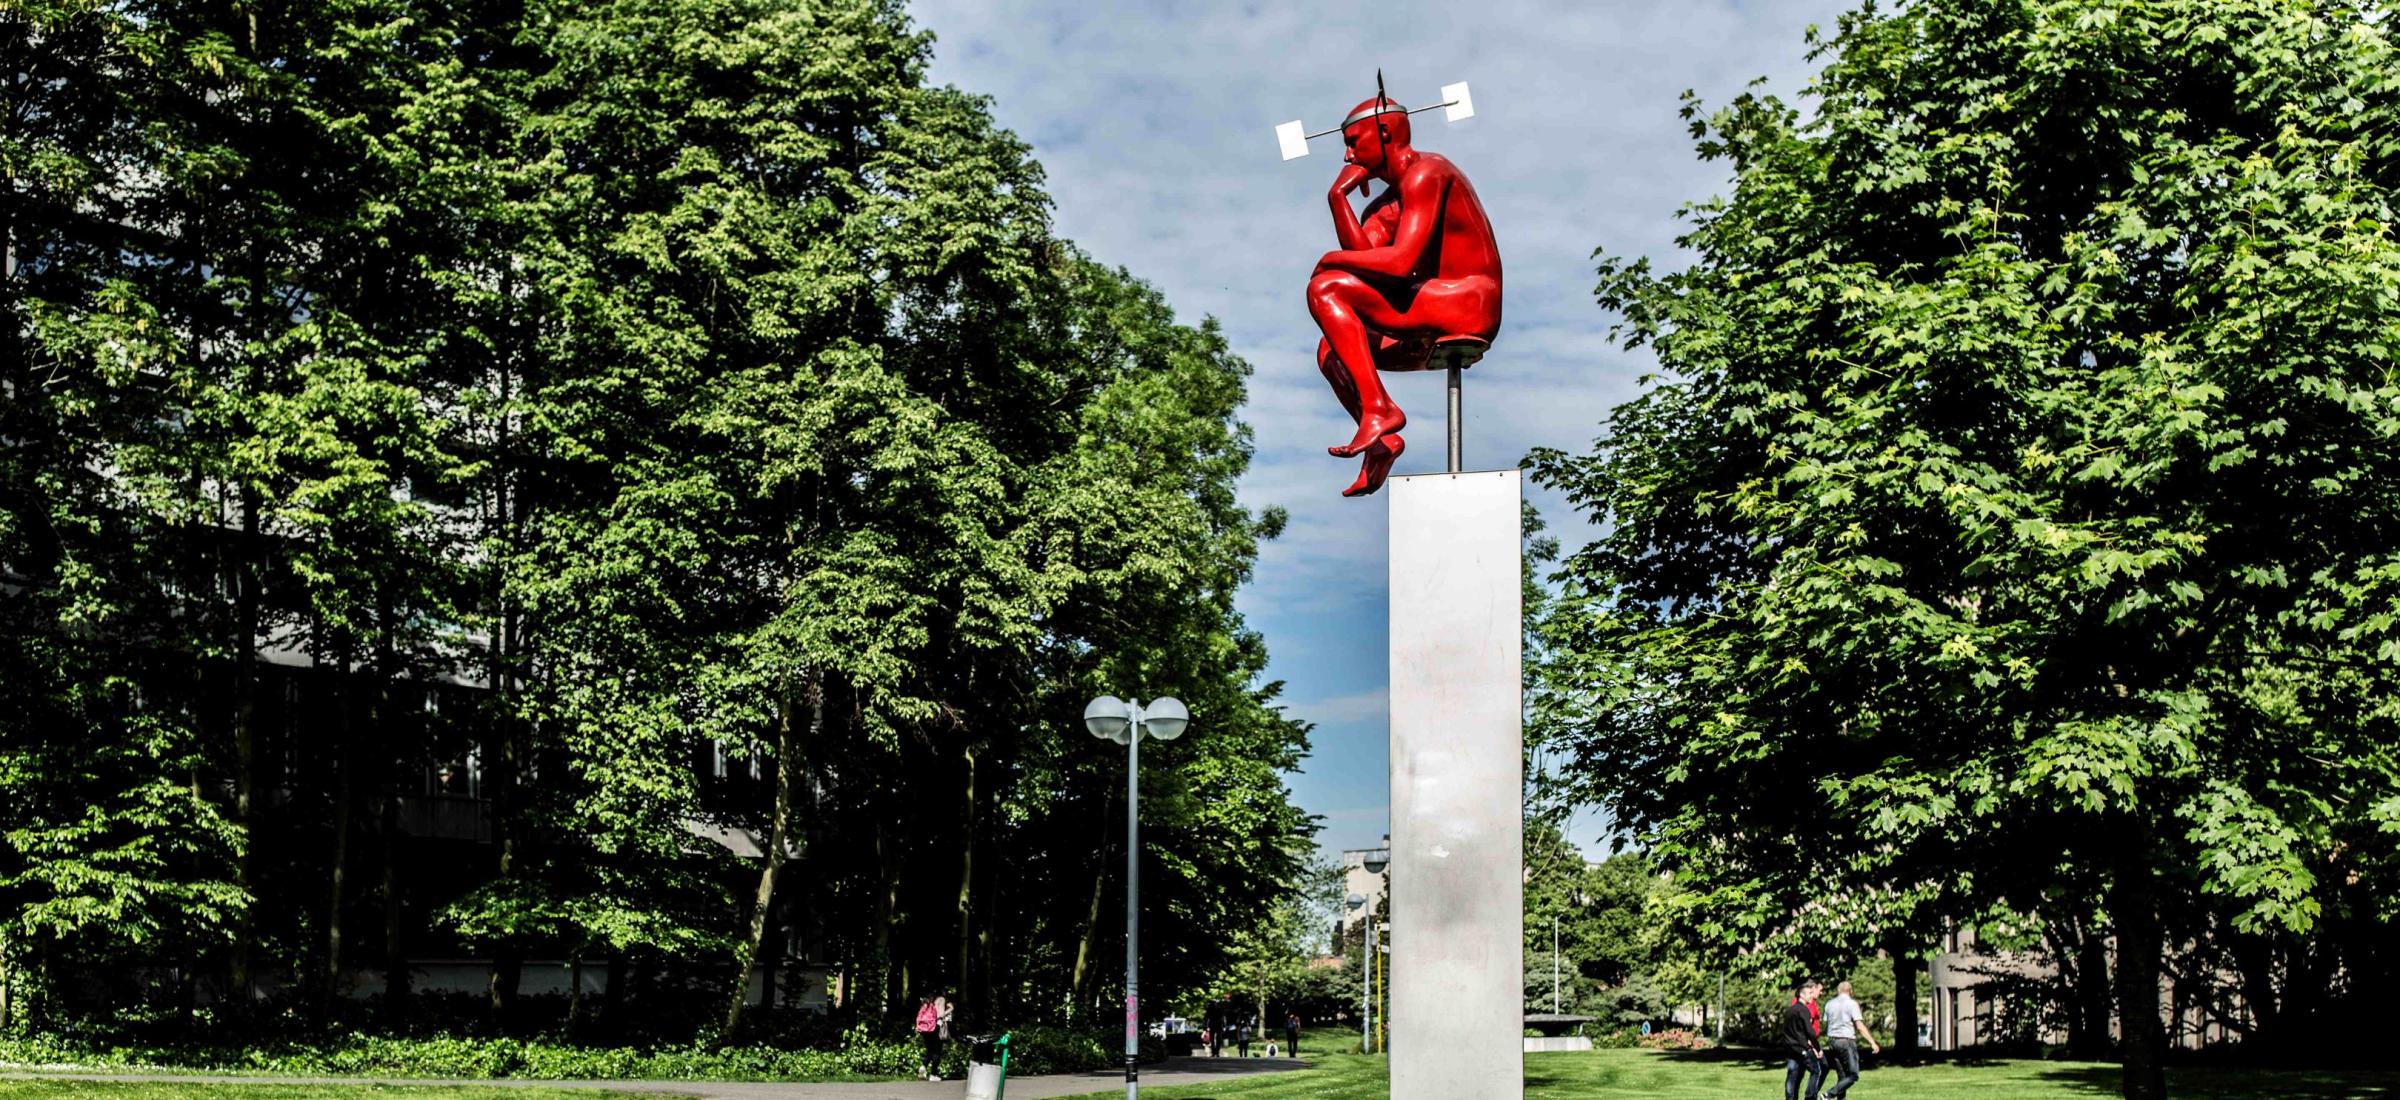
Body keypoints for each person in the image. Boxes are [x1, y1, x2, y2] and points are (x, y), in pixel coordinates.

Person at [1306, 83, 1505, 497]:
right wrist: (1337, 198)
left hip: (1466, 300)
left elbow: (1399, 265)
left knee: (1326, 287)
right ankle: (1381, 441)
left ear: (1384, 133)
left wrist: (1330, 260)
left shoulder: (1428, 172)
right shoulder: (1384, 205)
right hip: (1429, 307)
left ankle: (1380, 409)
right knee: (1332, 350)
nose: (1347, 156)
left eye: (1353, 144)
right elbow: (1368, 271)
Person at [1821, 980, 1883, 1100]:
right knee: (1853, 1075)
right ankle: (1829, 1094)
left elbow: (1826, 1023)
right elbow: (1859, 1026)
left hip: (1833, 1041)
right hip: (1846, 1041)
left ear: (1838, 990)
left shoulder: (1829, 1003)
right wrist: (1872, 1042)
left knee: (1842, 1075)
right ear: (1851, 991)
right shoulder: (1852, 1004)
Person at [1782, 979, 1827, 1100]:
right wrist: (1817, 1048)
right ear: (1802, 994)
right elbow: (1810, 1032)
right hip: (1802, 1048)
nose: (1811, 996)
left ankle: (1790, 1098)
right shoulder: (1803, 1010)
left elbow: (1785, 1030)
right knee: (1816, 1071)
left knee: (1792, 1074)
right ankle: (1810, 1097)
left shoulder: (1789, 1010)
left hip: (1790, 1048)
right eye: (1809, 994)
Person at [913, 988, 953, 1082]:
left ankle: (923, 1067)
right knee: (937, 1052)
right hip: (935, 1027)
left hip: (925, 1029)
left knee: (930, 1050)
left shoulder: (929, 999)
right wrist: (950, 1009)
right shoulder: (941, 999)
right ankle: (933, 1074)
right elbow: (940, 1014)